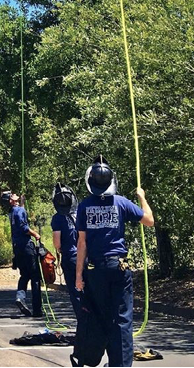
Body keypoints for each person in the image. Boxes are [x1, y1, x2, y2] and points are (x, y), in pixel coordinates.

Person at [73, 156, 154, 368]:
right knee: (122, 319)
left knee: (100, 316)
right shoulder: (121, 202)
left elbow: (82, 244)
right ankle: (120, 364)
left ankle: (95, 358)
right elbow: (149, 221)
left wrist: (78, 276)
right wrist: (142, 197)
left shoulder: (83, 206)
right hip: (119, 267)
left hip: (95, 269)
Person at [7, 191, 43, 318]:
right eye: (12, 195)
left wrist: (21, 202)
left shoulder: (12, 212)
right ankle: (37, 309)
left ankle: (20, 297)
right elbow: (24, 228)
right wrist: (35, 234)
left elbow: (20, 213)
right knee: (35, 276)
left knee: (24, 275)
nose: (14, 194)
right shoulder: (19, 211)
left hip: (17, 248)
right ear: (11, 200)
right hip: (26, 246)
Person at [51, 182, 81, 320]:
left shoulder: (57, 218)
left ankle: (83, 323)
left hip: (70, 257)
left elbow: (57, 243)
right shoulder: (80, 213)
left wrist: (60, 249)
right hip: (85, 257)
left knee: (75, 292)